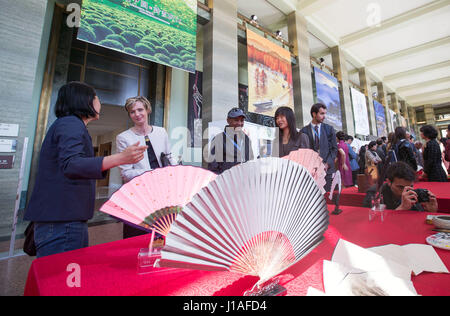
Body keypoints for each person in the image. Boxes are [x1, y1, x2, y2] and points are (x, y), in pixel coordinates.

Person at [24, 82, 148, 258]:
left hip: (63, 217)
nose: (99, 102)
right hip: (62, 219)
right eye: (96, 97)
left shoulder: (68, 124)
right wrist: (120, 158)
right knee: (64, 278)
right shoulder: (71, 124)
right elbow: (72, 164)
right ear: (85, 100)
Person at [116, 96, 177, 238]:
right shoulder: (123, 137)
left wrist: (176, 170)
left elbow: (169, 157)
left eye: (140, 110)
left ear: (147, 110)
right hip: (139, 195)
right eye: (132, 112)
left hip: (163, 193)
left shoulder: (161, 132)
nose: (137, 114)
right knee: (138, 235)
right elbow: (126, 173)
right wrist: (152, 172)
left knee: (163, 232)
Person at [365, 162, 438, 212]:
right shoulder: (375, 193)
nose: (404, 191)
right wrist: (402, 208)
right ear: (389, 182)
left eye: (410, 186)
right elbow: (372, 220)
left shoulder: (413, 193)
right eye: (400, 187)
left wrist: (431, 212)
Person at [300, 103, 338, 192]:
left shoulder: (329, 129)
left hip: (327, 169)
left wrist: (327, 163)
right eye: (322, 114)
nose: (324, 116)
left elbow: (334, 149)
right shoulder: (304, 131)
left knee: (327, 198)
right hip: (311, 171)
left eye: (325, 113)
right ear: (314, 114)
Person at [208, 107, 254, 174]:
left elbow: (250, 162)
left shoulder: (246, 139)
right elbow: (213, 169)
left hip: (244, 180)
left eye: (242, 120)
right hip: (226, 181)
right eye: (236, 120)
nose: (239, 123)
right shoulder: (218, 139)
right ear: (228, 120)